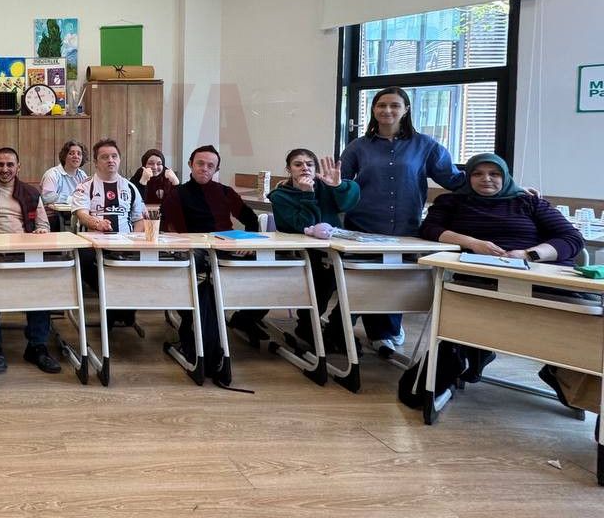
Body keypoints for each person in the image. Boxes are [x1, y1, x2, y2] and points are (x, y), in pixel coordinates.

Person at [420, 153, 585, 385]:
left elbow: (572, 238)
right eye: (477, 173)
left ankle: (565, 373)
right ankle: (467, 355)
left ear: (505, 177)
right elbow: (429, 229)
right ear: (468, 177)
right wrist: (473, 243)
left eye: (494, 174)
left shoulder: (529, 202)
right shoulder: (452, 202)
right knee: (466, 306)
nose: (486, 179)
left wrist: (529, 254)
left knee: (584, 314)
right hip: (480, 278)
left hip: (538, 277)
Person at [340, 86, 466, 351]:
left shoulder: (426, 145)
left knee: (391, 281)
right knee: (360, 281)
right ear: (373, 109)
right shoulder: (358, 146)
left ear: (406, 110)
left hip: (404, 230)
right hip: (362, 228)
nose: (387, 110)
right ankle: (346, 331)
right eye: (381, 105)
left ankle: (383, 333)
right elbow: (338, 184)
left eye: (394, 105)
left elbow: (454, 179)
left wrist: (509, 188)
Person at [0, 147, 62, 374]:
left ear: (18, 167)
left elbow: (43, 225)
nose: (4, 169)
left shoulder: (30, 192)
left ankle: (37, 346)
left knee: (41, 287)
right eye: (0, 164)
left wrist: (41, 232)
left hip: (24, 254)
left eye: (10, 164)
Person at [160, 145, 263, 350]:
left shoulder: (225, 192)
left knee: (269, 267)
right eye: (200, 163)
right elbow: (164, 227)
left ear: (216, 169)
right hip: (193, 251)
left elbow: (251, 220)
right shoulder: (177, 194)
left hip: (225, 247)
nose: (204, 169)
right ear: (191, 164)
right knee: (197, 265)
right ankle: (193, 322)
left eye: (210, 165)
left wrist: (248, 244)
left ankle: (246, 317)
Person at [267, 149, 360, 351]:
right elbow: (303, 225)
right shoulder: (280, 195)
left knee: (360, 280)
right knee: (324, 274)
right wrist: (307, 194)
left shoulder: (326, 186)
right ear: (289, 169)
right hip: (304, 252)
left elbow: (348, 203)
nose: (304, 168)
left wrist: (338, 186)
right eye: (298, 164)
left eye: (309, 164)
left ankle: (339, 327)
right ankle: (308, 324)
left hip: (335, 248)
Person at [73, 138, 146, 326]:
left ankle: (121, 308)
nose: (110, 160)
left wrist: (135, 240)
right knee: (82, 259)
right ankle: (114, 304)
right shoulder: (85, 186)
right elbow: (82, 214)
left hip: (126, 243)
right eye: (104, 157)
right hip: (94, 243)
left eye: (114, 156)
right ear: (96, 162)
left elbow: (139, 220)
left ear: (119, 159)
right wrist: (97, 223)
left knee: (145, 261)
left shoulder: (130, 187)